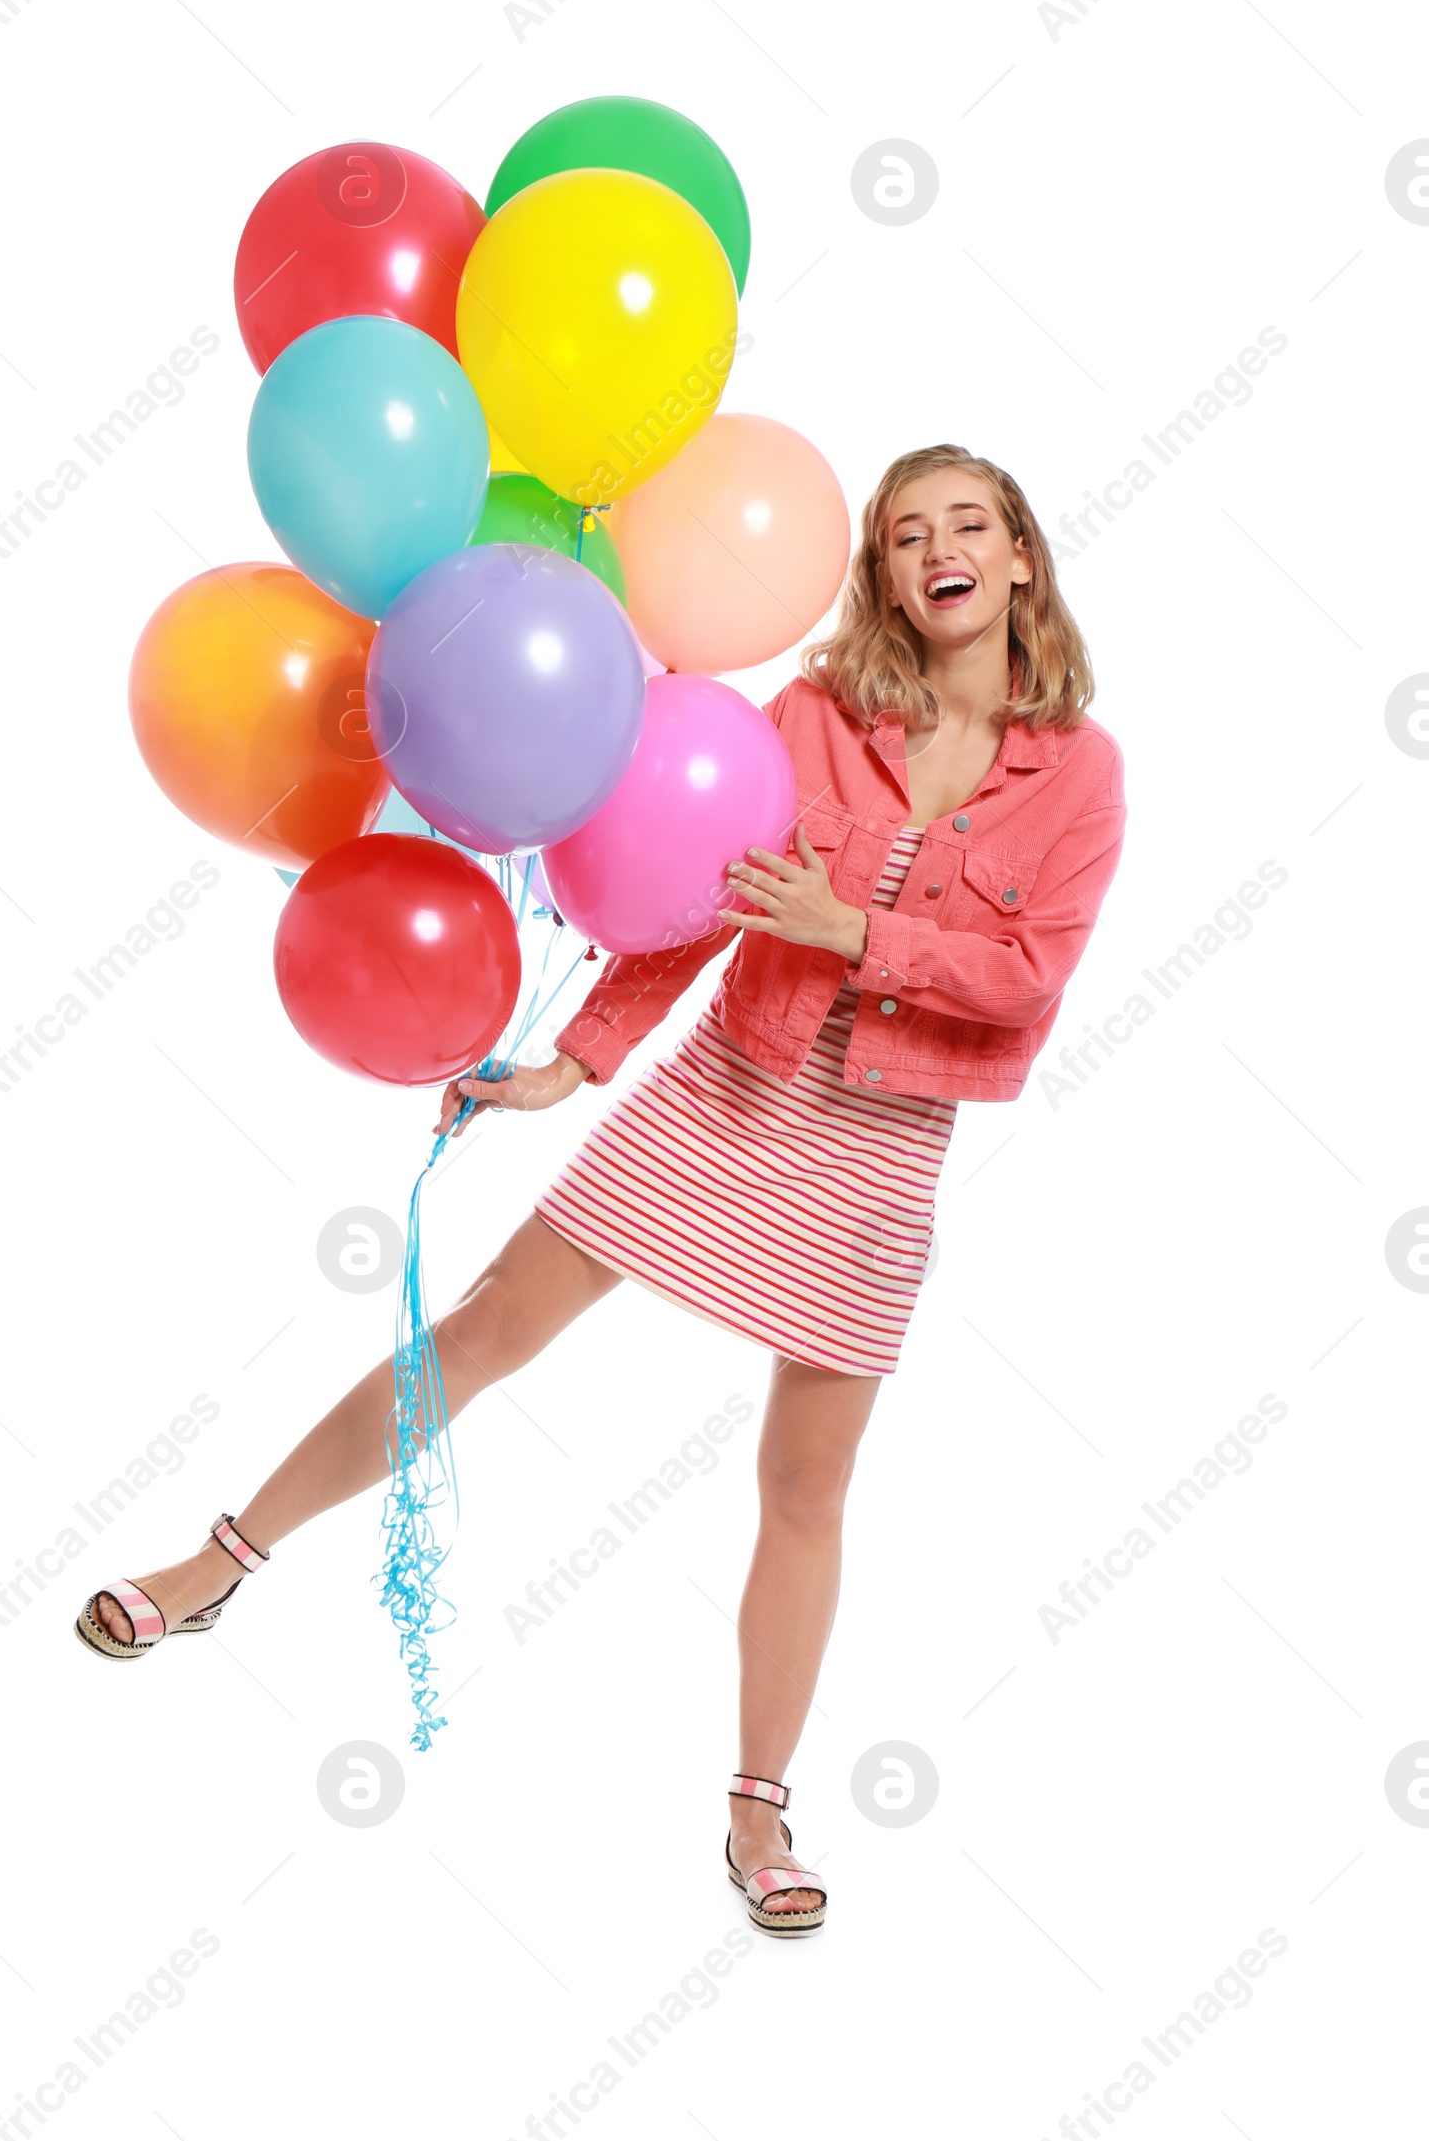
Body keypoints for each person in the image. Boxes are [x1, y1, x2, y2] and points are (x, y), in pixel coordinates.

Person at [74, 442, 1126, 1940]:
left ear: (1020, 553)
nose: (939, 549)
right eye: (907, 535)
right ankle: (216, 1560)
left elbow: (1026, 986)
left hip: (883, 1146)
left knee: (803, 1485)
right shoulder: (817, 717)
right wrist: (576, 1056)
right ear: (884, 573)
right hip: (729, 1087)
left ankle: (756, 1807)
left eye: (970, 524)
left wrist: (851, 930)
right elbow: (686, 890)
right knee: (488, 1324)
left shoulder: (1079, 770)